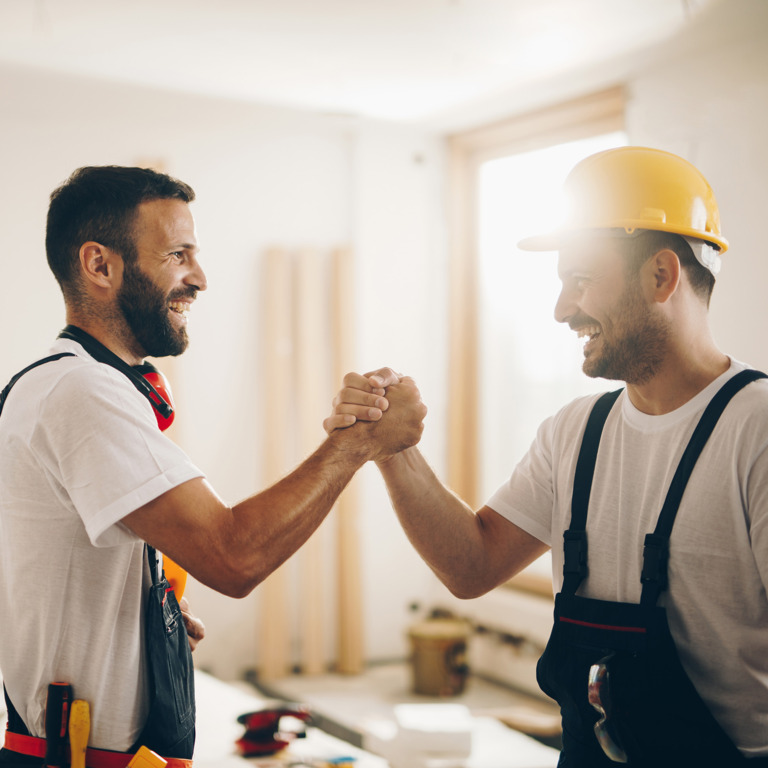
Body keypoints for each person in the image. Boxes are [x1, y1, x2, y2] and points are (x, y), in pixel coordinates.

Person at [325, 147, 768, 766]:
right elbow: (472, 566)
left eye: (581, 280)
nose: (562, 309)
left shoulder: (757, 429)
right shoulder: (575, 432)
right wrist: (392, 448)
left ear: (661, 276)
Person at [0, 166, 426, 767]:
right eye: (178, 255)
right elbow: (231, 555)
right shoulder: (81, 391)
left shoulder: (77, 385)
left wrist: (149, 617)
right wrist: (356, 445)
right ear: (100, 265)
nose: (199, 278)